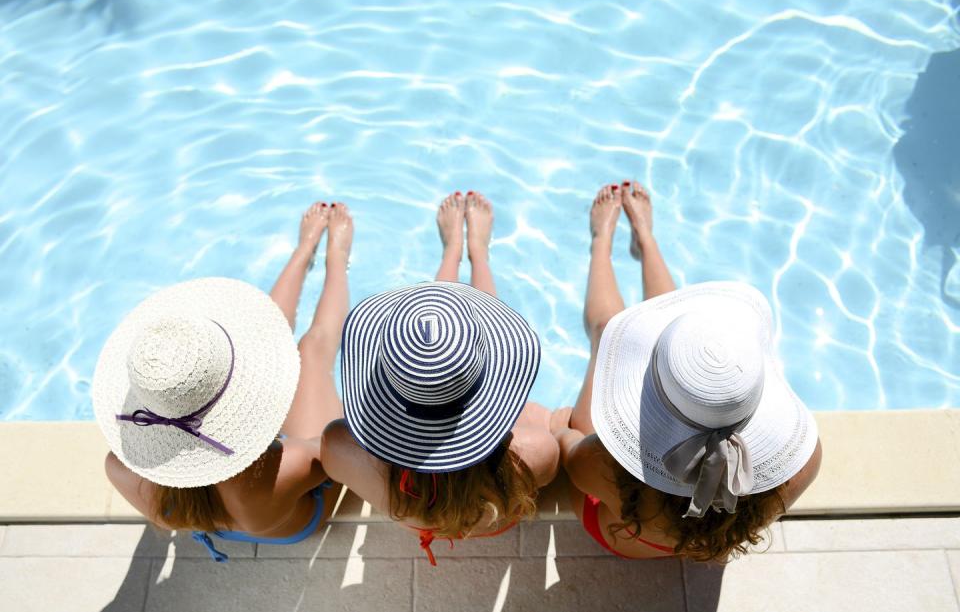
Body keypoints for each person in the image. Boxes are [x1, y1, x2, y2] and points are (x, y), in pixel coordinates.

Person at [551, 182, 822, 561]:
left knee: (605, 333)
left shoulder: (600, 460)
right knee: (684, 336)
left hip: (625, 532)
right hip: (695, 541)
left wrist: (560, 427)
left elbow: (567, 452)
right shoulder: (805, 463)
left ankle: (602, 240)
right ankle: (645, 238)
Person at [97, 202, 354, 562]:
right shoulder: (271, 471)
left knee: (265, 333)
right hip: (292, 515)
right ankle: (335, 258)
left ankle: (302, 252)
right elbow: (337, 450)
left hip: (235, 509)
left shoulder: (121, 468)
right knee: (311, 351)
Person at [321, 191, 559, 565]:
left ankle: (451, 253)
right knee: (527, 403)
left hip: (416, 513)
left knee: (435, 342)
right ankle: (476, 253)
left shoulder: (340, 448)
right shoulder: (535, 454)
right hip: (494, 516)